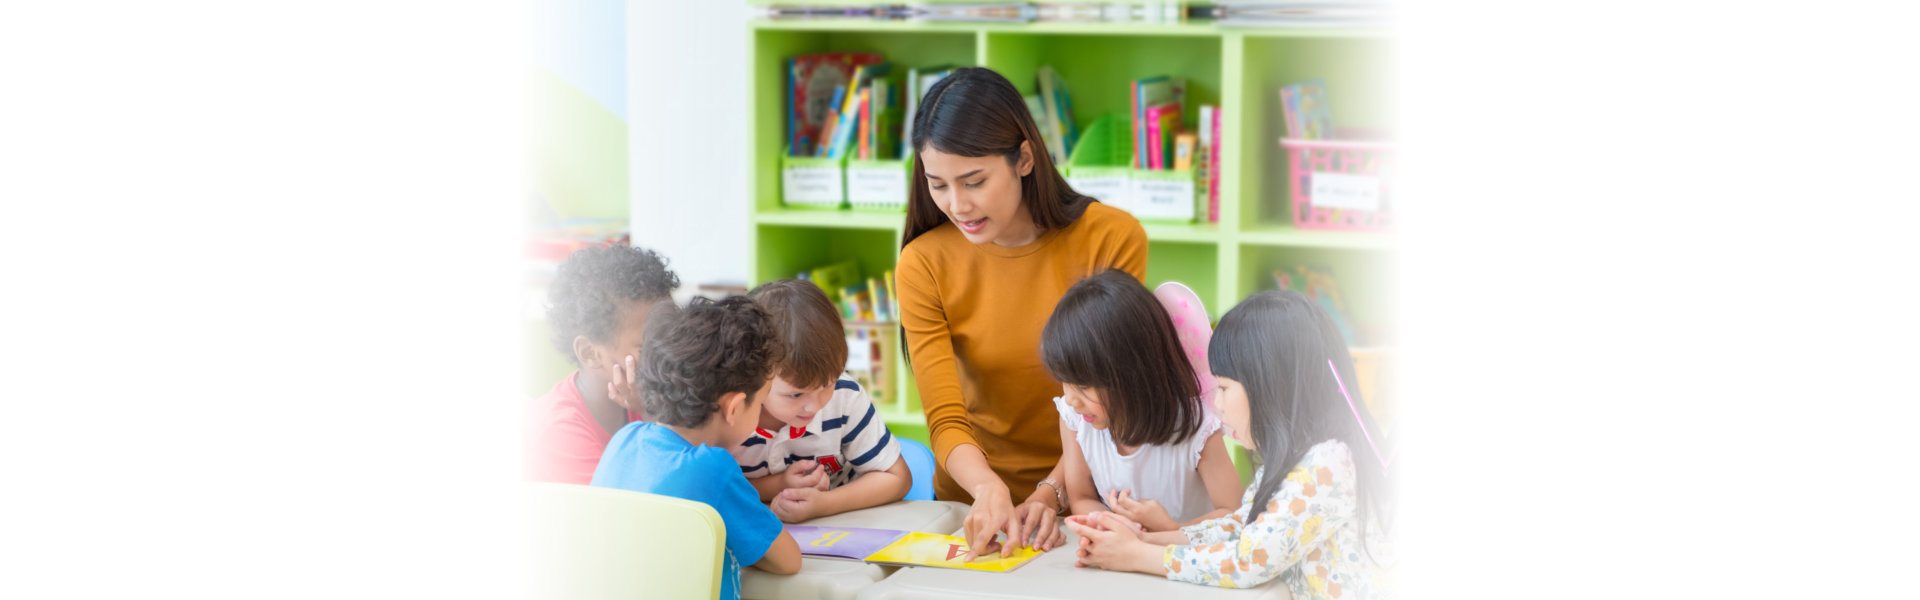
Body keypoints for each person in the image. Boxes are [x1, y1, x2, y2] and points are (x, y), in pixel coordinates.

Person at [896, 66, 1148, 558]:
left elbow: (1111, 398)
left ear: (1024, 159)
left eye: (974, 181)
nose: (957, 205)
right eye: (938, 184)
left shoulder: (1111, 239)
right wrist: (988, 490)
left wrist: (1052, 490)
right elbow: (945, 419)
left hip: (1092, 498)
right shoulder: (923, 262)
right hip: (973, 507)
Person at [1065, 290, 1395, 599]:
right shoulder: (1297, 460)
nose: (1218, 406)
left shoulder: (1328, 463)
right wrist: (1144, 539)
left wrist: (1139, 555)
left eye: (1223, 388)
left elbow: (1248, 561)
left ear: (1270, 386)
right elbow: (1241, 526)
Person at [590, 297, 802, 600]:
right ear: (734, 407)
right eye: (763, 398)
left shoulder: (625, 439)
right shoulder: (712, 468)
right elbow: (788, 561)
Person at [1041, 270, 1242, 531]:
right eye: (1065, 381)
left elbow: (1234, 514)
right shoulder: (1076, 422)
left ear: (1133, 374)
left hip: (1182, 563)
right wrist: (1115, 526)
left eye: (1083, 386)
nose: (1070, 400)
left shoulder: (1197, 429)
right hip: (1124, 563)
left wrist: (1166, 530)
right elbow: (1083, 498)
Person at [733, 279, 911, 522]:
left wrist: (824, 504)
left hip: (838, 530)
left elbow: (896, 477)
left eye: (827, 384)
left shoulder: (844, 395)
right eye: (795, 394)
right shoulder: (730, 413)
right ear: (753, 374)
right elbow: (709, 490)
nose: (814, 406)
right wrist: (777, 485)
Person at [524, 245, 678, 484]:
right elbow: (637, 507)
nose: (670, 351)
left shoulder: (649, 389)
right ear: (590, 353)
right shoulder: (559, 431)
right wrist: (650, 411)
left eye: (672, 335)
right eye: (648, 345)